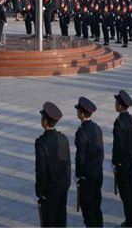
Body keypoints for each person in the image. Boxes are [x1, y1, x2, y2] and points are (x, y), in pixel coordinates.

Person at [35, 102, 71, 228]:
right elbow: (68, 165)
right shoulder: (63, 138)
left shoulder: (41, 143)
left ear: (45, 122)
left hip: (49, 191)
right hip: (62, 187)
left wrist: (39, 192)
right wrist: (67, 183)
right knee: (61, 220)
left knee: (49, 222)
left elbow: (41, 172)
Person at [74, 96, 103, 228]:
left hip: (87, 177)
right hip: (97, 173)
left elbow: (80, 158)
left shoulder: (81, 132)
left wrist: (79, 175)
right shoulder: (97, 128)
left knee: (88, 210)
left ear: (81, 113)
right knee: (96, 207)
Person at [112, 89, 132, 228]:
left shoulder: (119, 123)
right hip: (131, 161)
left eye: (117, 102)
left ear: (120, 106)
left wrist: (116, 162)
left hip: (123, 164)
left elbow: (118, 146)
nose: (115, 104)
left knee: (126, 195)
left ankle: (130, 222)